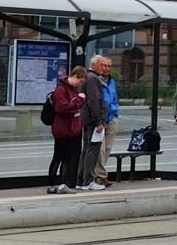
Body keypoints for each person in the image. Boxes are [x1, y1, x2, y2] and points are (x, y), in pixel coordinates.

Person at [46, 65, 88, 194]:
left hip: (71, 128)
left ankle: (63, 183)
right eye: (80, 81)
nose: (79, 85)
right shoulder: (61, 89)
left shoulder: (72, 89)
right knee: (59, 157)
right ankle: (54, 184)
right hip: (63, 129)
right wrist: (79, 100)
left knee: (66, 158)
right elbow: (61, 108)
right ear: (75, 77)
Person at [77, 57, 110, 191]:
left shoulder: (88, 77)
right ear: (94, 65)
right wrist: (99, 121)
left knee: (87, 149)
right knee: (92, 150)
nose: (104, 68)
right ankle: (88, 181)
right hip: (92, 121)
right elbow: (94, 100)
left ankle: (81, 180)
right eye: (101, 65)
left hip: (87, 119)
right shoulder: (93, 78)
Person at [90, 55, 121, 187]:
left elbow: (114, 97)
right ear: (96, 65)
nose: (107, 68)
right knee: (100, 149)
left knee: (107, 148)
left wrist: (115, 112)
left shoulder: (111, 81)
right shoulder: (94, 80)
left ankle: (99, 175)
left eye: (109, 66)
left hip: (112, 117)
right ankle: (100, 176)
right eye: (104, 65)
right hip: (100, 119)